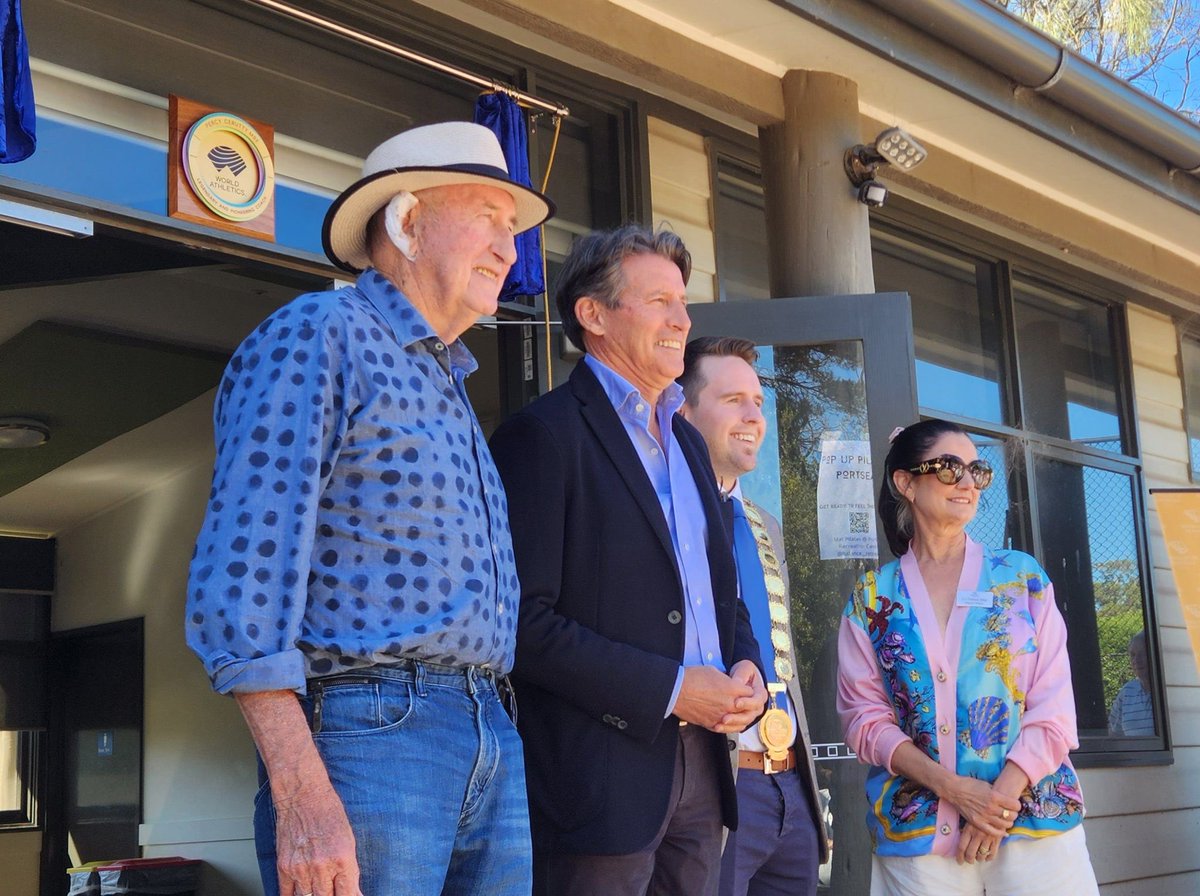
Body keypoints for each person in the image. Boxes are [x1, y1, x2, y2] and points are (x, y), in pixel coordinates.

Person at [185, 121, 555, 896]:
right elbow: (241, 577)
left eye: (512, 228)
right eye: (488, 215)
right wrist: (299, 791)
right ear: (407, 221)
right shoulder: (321, 333)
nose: (509, 249)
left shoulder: (449, 381)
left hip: (488, 723)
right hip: (370, 733)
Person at [489, 225, 768, 895]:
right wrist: (672, 689)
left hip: (703, 770)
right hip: (597, 784)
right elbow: (522, 625)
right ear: (593, 315)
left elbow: (719, 595)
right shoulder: (542, 436)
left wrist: (746, 663)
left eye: (682, 301)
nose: (682, 320)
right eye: (659, 301)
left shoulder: (690, 445)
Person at [836, 419, 1100, 895]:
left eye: (977, 471)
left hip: (1034, 828)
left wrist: (994, 805)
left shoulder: (1022, 580)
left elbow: (1054, 710)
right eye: (948, 466)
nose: (967, 482)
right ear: (906, 483)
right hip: (918, 841)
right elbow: (864, 720)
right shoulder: (873, 597)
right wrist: (955, 790)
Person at [677, 336, 829, 896]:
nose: (753, 416)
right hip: (714, 785)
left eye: (759, 402)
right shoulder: (664, 516)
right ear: (684, 410)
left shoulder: (765, 523)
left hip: (789, 780)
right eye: (733, 399)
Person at [1109, 631, 1155, 736]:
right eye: (1133, 655)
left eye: (1142, 654)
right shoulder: (1127, 692)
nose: (1136, 660)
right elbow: (1114, 734)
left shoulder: (1169, 690)